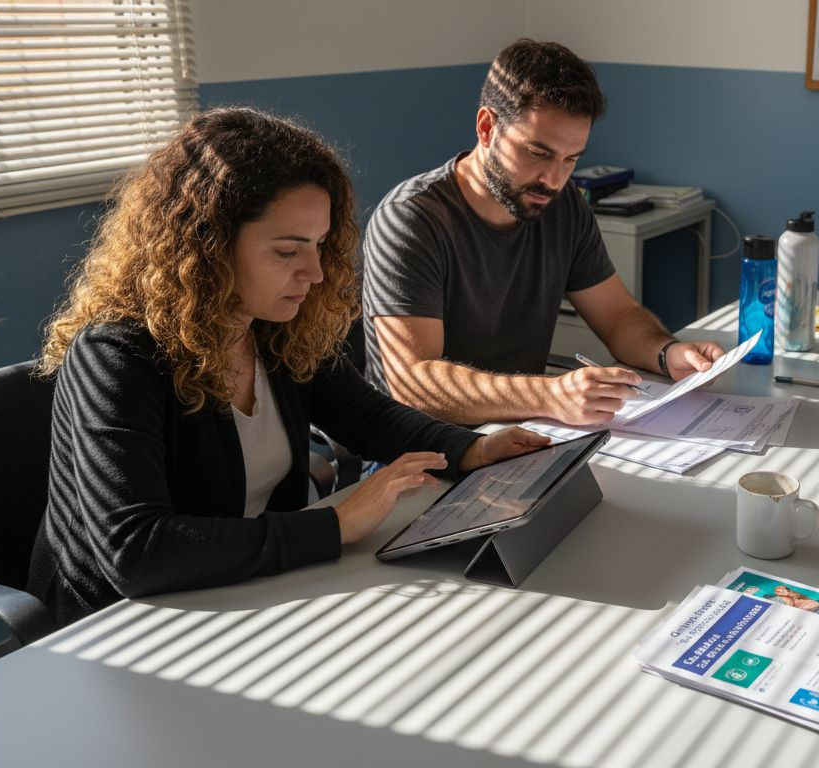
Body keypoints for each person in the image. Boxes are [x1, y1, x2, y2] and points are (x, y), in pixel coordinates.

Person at [29, 107, 550, 628]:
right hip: (119, 627)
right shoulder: (115, 356)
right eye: (287, 251)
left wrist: (472, 449)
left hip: (248, 593)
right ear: (207, 245)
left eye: (320, 246)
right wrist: (335, 525)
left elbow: (366, 416)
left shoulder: (273, 328)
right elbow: (137, 550)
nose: (315, 272)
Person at [361, 38, 725, 426]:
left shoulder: (562, 205)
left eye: (570, 159)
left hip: (519, 431)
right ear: (487, 128)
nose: (553, 179)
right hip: (419, 449)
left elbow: (618, 315)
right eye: (538, 153)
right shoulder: (410, 220)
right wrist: (549, 395)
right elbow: (414, 385)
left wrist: (667, 353)